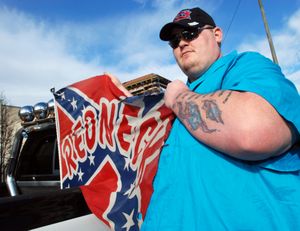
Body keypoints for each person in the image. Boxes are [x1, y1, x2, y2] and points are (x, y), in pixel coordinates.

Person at [139, 7, 300, 230]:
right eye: (175, 41)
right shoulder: (170, 113)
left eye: (190, 34)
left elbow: (253, 129)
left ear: (217, 34)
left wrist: (177, 96)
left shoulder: (245, 66)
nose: (182, 44)